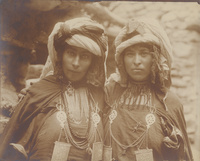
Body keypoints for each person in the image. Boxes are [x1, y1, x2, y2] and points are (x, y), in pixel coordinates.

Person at [0, 17, 108, 161]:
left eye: (84, 56)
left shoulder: (100, 95)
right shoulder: (38, 93)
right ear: (60, 55)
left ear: (92, 62)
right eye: (71, 53)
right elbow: (9, 148)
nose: (76, 63)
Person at [103, 18, 193, 161]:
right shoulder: (109, 93)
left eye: (144, 54)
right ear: (122, 59)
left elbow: (182, 156)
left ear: (155, 59)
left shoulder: (169, 102)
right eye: (130, 54)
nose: (136, 61)